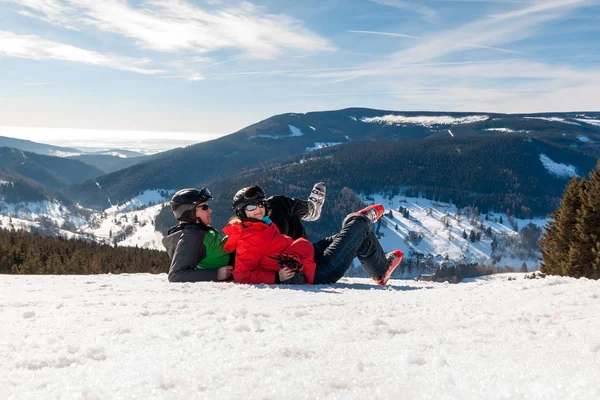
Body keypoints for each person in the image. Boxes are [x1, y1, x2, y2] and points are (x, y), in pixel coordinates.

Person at [223, 185, 403, 285]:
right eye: (251, 207)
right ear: (241, 212)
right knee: (358, 225)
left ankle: (381, 270)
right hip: (317, 272)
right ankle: (357, 221)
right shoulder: (249, 236)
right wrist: (276, 277)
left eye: (260, 204)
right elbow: (242, 275)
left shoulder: (261, 226)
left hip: (309, 256)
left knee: (356, 236)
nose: (259, 209)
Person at [162, 188, 233, 283]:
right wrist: (216, 274)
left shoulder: (199, 231)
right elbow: (176, 275)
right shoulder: (191, 237)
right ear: (189, 213)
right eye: (204, 207)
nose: (210, 210)